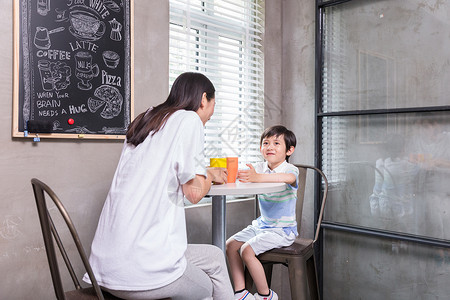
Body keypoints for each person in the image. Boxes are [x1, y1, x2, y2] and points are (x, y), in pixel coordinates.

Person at [83, 72, 234, 300]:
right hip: (140, 273)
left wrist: (207, 173)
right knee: (207, 289)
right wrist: (210, 176)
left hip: (105, 269)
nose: (211, 115)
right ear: (204, 99)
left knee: (214, 257)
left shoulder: (148, 118)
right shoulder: (189, 120)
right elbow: (193, 193)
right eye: (213, 105)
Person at [226, 125, 299, 300]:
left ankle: (266, 295)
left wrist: (257, 178)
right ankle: (241, 292)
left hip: (282, 230)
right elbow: (243, 174)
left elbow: (290, 179)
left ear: (289, 150)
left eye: (276, 143)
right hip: (262, 225)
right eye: (265, 143)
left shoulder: (289, 169)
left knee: (246, 250)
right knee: (230, 245)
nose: (270, 147)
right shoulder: (259, 167)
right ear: (260, 148)